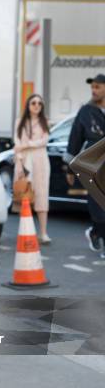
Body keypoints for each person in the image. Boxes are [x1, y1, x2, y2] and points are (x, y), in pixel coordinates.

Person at [68, 73, 105, 256]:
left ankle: (96, 233)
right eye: (93, 87)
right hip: (94, 165)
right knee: (98, 204)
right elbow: (75, 137)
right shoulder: (86, 111)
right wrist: (68, 167)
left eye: (98, 87)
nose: (94, 90)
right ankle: (97, 232)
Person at [14, 94, 51, 244]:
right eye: (33, 103)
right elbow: (16, 141)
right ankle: (25, 232)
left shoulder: (45, 122)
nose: (36, 105)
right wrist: (22, 150)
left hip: (40, 160)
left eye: (40, 104)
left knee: (42, 195)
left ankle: (43, 233)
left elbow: (44, 141)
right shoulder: (20, 122)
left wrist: (26, 144)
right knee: (24, 196)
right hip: (23, 161)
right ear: (28, 105)